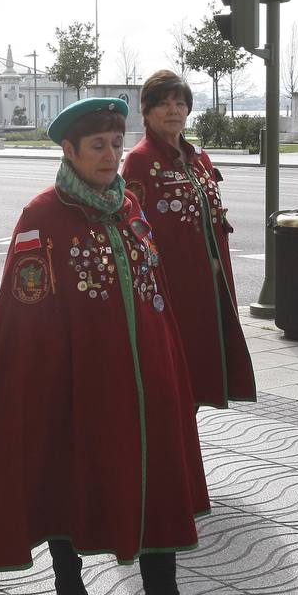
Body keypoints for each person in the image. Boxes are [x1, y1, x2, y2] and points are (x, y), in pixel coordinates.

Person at [0, 98, 218, 595]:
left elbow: (153, 292)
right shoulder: (42, 216)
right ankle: (69, 585)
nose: (111, 155)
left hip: (142, 379)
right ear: (69, 151)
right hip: (75, 379)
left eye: (117, 144)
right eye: (98, 146)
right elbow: (27, 311)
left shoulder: (130, 208)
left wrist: (167, 362)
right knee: (66, 476)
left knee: (153, 475)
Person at [122, 70, 255, 408]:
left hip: (209, 282)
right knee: (174, 370)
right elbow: (133, 226)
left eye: (180, 103)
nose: (174, 111)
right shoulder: (140, 160)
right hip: (171, 284)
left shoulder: (198, 158)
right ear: (147, 110)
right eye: (164, 103)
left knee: (200, 362)